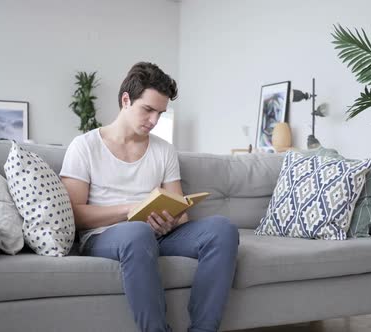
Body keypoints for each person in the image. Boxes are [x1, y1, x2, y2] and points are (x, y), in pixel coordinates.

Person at [60, 62, 239, 332]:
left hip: (156, 234)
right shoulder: (84, 146)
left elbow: (181, 211)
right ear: (125, 100)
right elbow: (74, 214)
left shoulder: (164, 150)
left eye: (160, 113)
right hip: (105, 235)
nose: (154, 121)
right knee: (137, 233)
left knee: (222, 229)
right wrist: (131, 210)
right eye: (148, 109)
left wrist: (169, 222)